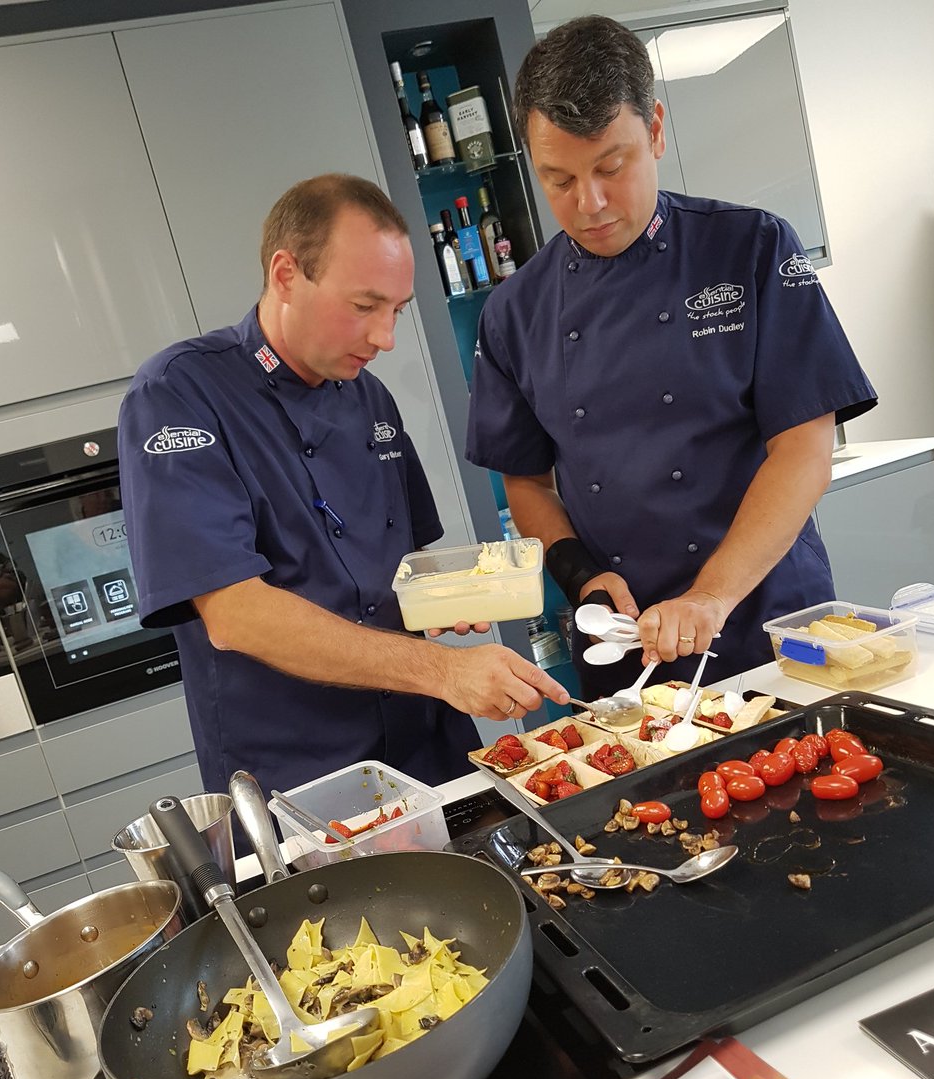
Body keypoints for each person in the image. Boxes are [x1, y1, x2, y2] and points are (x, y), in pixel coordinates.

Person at [118, 174, 567, 803]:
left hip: (430, 746)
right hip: (304, 777)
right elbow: (237, 616)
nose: (385, 337)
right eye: (364, 306)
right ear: (285, 275)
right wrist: (443, 671)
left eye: (397, 311)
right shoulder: (177, 394)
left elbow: (403, 563)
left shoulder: (370, 396)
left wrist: (444, 596)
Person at [465, 15, 877, 696]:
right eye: (558, 179)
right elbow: (528, 483)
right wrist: (579, 575)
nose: (589, 204)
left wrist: (711, 595)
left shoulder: (753, 249)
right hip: (627, 647)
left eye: (610, 167)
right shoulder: (513, 314)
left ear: (655, 129)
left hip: (769, 619)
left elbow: (805, 449)